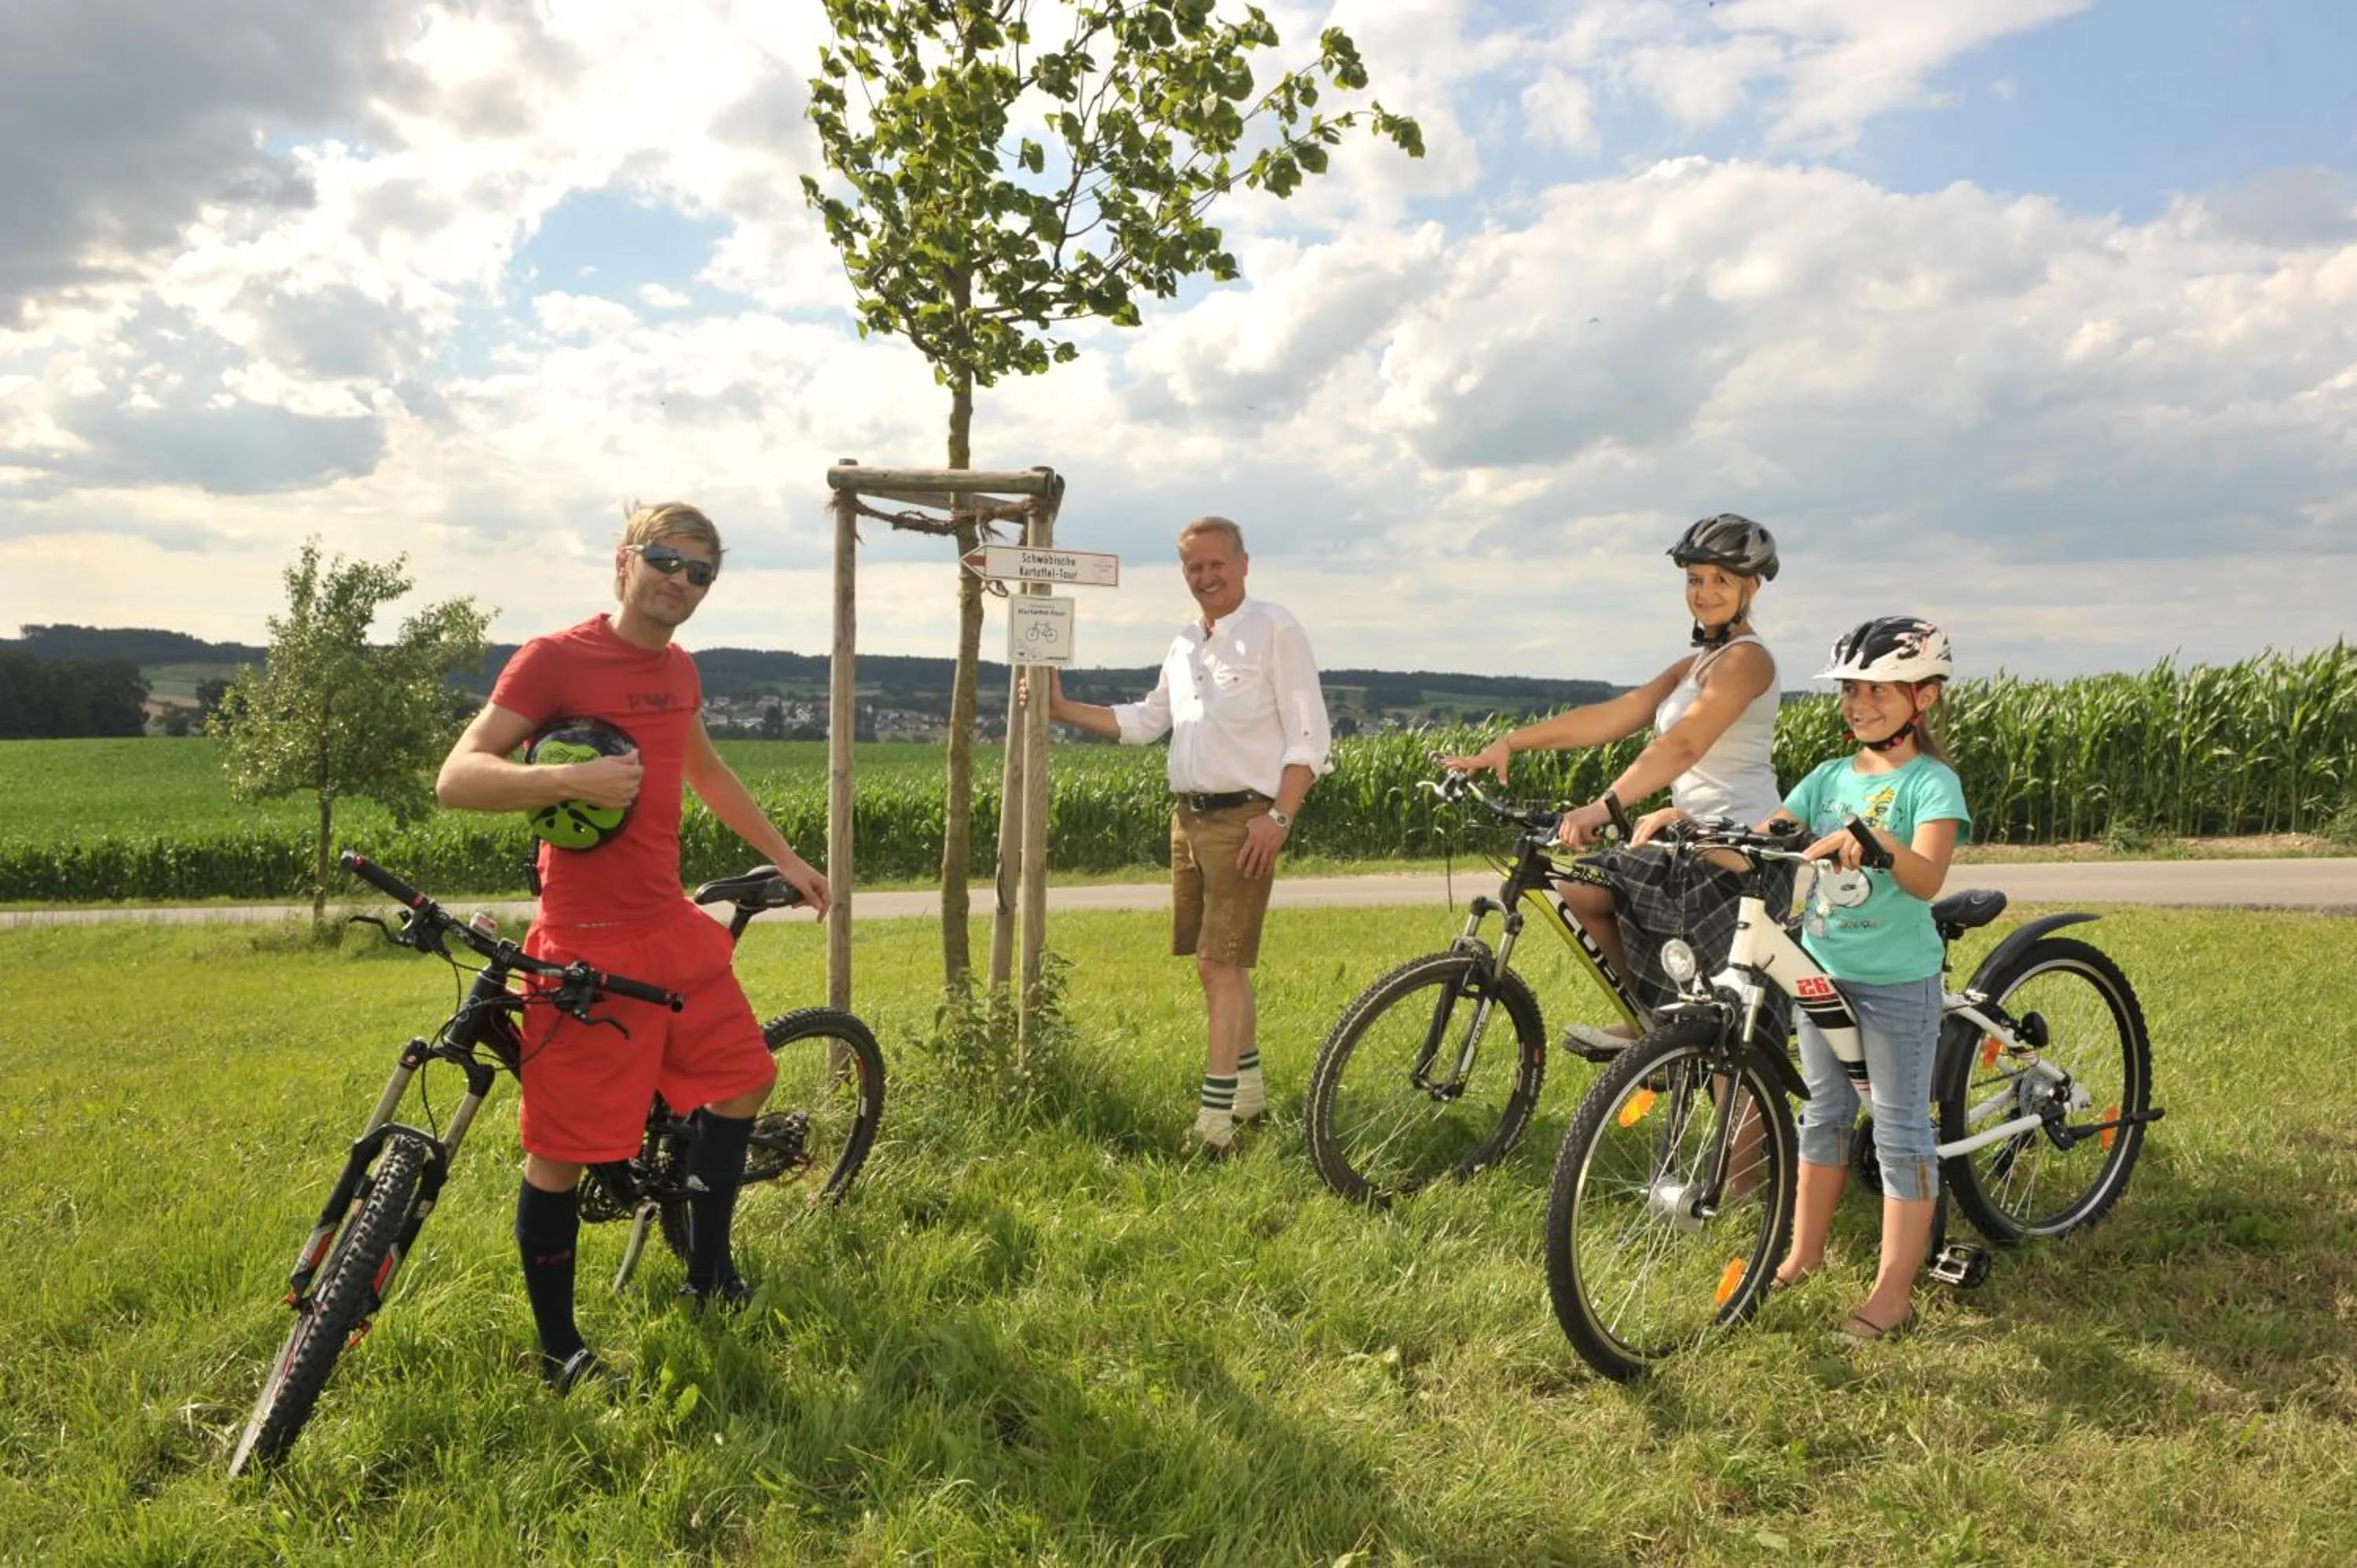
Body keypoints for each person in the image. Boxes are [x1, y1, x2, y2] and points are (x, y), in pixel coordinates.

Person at [434, 502, 830, 1392]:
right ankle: (560, 1348)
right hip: (583, 937)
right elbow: (457, 777)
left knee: (745, 1080)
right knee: (562, 1152)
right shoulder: (555, 660)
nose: (680, 581)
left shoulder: (679, 671)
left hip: (668, 927)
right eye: (665, 559)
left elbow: (708, 773)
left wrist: (789, 859)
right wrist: (568, 777)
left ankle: (707, 1271)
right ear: (624, 561)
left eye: (700, 572)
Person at [1037, 516, 1331, 1157]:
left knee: (1217, 964)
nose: (1205, 578)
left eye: (1216, 565)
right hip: (1189, 820)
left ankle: (1214, 1124)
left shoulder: (1274, 629)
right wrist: (1064, 710)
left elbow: (1310, 736)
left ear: (1244, 564)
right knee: (1219, 966)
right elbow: (1147, 721)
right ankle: (1249, 1097)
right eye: (1193, 568)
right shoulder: (1184, 644)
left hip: (1246, 820)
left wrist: (1279, 818)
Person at [1442, 514, 1784, 1049]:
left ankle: (1669, 1030)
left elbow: (1684, 744)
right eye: (1695, 579)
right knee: (1581, 887)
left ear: (1751, 587)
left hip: (1738, 844)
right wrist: (1509, 744)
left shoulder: (1747, 661)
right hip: (1688, 837)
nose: (1705, 592)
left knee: (1727, 1024)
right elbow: (1612, 715)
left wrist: (1604, 807)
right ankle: (1654, 1016)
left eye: (1721, 580)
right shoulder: (1695, 664)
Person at [1765, 615, 1970, 1342]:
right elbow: (1768, 841)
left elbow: (1926, 877)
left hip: (1895, 982)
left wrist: (1878, 842)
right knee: (1822, 1113)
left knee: (1899, 1129)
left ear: (1925, 698)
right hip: (1821, 972)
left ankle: (1893, 1292)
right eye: (1851, 689)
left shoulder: (1930, 783)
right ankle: (1803, 1255)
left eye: (1879, 689)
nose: (1858, 702)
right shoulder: (1826, 777)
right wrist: (1684, 822)